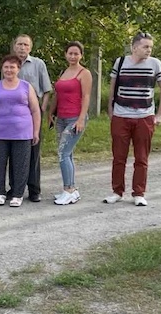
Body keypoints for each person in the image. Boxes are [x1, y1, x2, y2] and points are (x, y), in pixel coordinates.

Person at [104, 32, 161, 207]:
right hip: (121, 116)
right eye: (145, 46)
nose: (148, 50)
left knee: (141, 157)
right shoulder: (120, 62)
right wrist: (110, 110)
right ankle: (117, 192)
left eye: (150, 47)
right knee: (119, 157)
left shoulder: (155, 64)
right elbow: (112, 88)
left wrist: (160, 114)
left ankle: (139, 193)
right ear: (134, 47)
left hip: (144, 117)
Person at [0, 55, 41, 208]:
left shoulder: (26, 86)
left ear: (18, 69)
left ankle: (17, 194)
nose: (9, 70)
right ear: (2, 69)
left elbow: (35, 110)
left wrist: (36, 132)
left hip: (22, 133)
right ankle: (0, 193)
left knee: (21, 165)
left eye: (12, 67)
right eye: (6, 67)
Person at [50, 42, 93, 206]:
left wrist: (81, 118)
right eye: (70, 53)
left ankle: (68, 190)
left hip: (75, 118)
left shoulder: (84, 73)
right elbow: (57, 94)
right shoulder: (64, 72)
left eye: (76, 54)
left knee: (63, 153)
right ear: (65, 54)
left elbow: (87, 96)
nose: (73, 56)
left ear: (81, 55)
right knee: (67, 154)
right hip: (61, 118)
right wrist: (50, 113)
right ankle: (72, 189)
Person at [13, 34, 52, 202]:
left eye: (25, 45)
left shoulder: (38, 64)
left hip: (32, 111)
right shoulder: (8, 65)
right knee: (14, 150)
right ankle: (15, 188)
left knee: (33, 149)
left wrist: (42, 107)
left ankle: (34, 189)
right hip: (12, 113)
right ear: (15, 46)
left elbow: (47, 89)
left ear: (30, 47)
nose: (22, 48)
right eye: (20, 44)